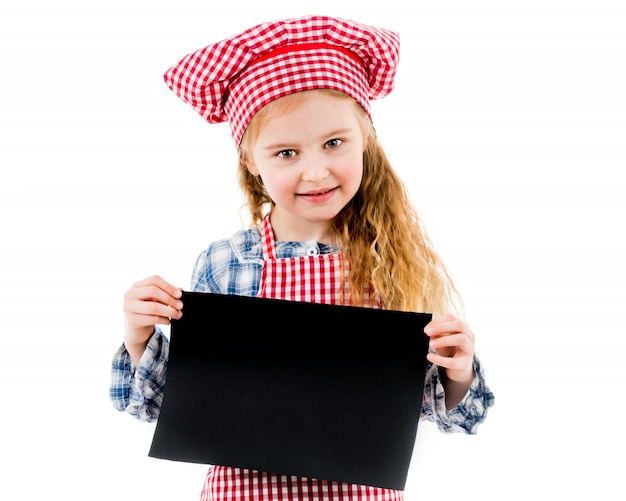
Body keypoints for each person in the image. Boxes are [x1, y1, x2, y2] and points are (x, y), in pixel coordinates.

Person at [110, 14, 494, 501]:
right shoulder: (224, 263)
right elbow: (177, 407)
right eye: (286, 153)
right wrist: (139, 335)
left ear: (365, 140)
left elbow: (443, 415)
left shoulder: (392, 262)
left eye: (334, 143)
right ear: (251, 161)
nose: (315, 172)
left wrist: (456, 372)